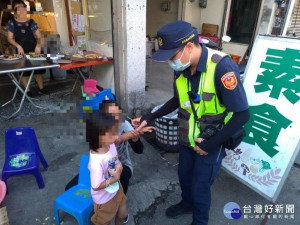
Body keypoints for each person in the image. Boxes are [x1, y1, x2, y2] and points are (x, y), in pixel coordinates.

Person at [132, 21, 250, 225]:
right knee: (185, 176)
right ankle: (187, 204)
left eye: (172, 55)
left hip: (212, 140)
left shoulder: (222, 67)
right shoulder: (181, 67)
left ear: (188, 46)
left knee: (200, 186)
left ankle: (200, 221)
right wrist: (148, 118)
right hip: (186, 137)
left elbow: (242, 114)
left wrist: (209, 144)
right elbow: (178, 100)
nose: (170, 61)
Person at [66, 100, 155, 223]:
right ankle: (103, 207)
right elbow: (97, 179)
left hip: (120, 165)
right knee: (69, 188)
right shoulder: (99, 134)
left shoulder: (123, 126)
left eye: (119, 115)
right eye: (112, 117)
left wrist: (135, 138)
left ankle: (117, 207)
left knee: (121, 177)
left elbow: (138, 150)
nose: (117, 120)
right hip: (104, 169)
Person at [86, 111, 127, 225]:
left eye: (115, 131)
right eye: (111, 134)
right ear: (97, 136)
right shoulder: (96, 161)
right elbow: (96, 186)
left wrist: (120, 166)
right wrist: (115, 178)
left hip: (117, 190)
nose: (116, 136)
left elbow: (115, 160)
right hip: (104, 200)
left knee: (122, 214)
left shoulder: (110, 145)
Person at [7, 0, 49, 97]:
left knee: (38, 71)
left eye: (22, 8)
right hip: (21, 52)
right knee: (25, 72)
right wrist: (18, 45)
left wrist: (38, 45)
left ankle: (41, 88)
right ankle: (28, 91)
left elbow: (40, 37)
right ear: (14, 11)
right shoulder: (12, 23)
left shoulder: (31, 22)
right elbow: (9, 38)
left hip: (34, 50)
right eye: (18, 9)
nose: (21, 11)